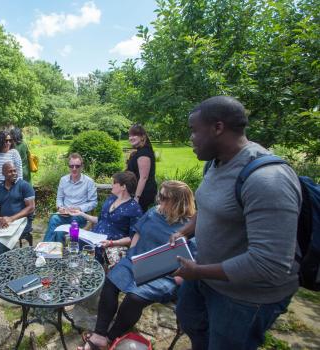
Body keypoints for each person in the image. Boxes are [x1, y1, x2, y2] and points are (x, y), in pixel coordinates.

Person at [171, 96, 302, 350]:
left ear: (218, 128)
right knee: (191, 322)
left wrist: (197, 271)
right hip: (205, 276)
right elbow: (210, 207)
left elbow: (269, 264)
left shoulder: (267, 180)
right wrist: (185, 230)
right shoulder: (214, 163)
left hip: (245, 298)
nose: (191, 139)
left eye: (194, 131)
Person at [78, 181, 196, 350]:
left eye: (163, 197)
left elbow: (191, 259)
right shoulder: (154, 213)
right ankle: (99, 334)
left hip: (164, 274)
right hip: (136, 260)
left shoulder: (191, 227)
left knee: (134, 297)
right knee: (110, 283)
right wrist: (131, 253)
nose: (158, 200)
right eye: (159, 195)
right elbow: (138, 232)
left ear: (179, 201)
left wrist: (176, 277)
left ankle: (110, 338)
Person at [69, 171, 143, 264]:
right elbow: (100, 220)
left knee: (94, 251)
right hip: (94, 237)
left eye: (115, 183)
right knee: (75, 241)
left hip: (109, 243)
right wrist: (81, 213)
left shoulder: (134, 208)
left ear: (123, 187)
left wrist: (112, 243)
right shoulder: (111, 199)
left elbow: (133, 237)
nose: (112, 184)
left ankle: (95, 275)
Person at [42, 153, 98, 242]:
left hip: (79, 215)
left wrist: (79, 208)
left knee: (56, 221)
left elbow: (93, 202)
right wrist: (60, 208)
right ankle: (53, 250)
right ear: (68, 167)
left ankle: (46, 247)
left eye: (77, 166)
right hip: (64, 214)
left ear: (82, 167)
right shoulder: (63, 180)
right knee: (57, 228)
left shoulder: (89, 182)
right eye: (71, 166)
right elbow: (59, 198)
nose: (74, 169)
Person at [126, 124, 157, 211]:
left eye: (134, 135)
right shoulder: (139, 151)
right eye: (130, 135)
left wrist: (136, 198)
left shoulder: (144, 153)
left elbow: (143, 178)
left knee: (138, 221)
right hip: (137, 192)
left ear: (142, 137)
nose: (131, 138)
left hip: (142, 194)